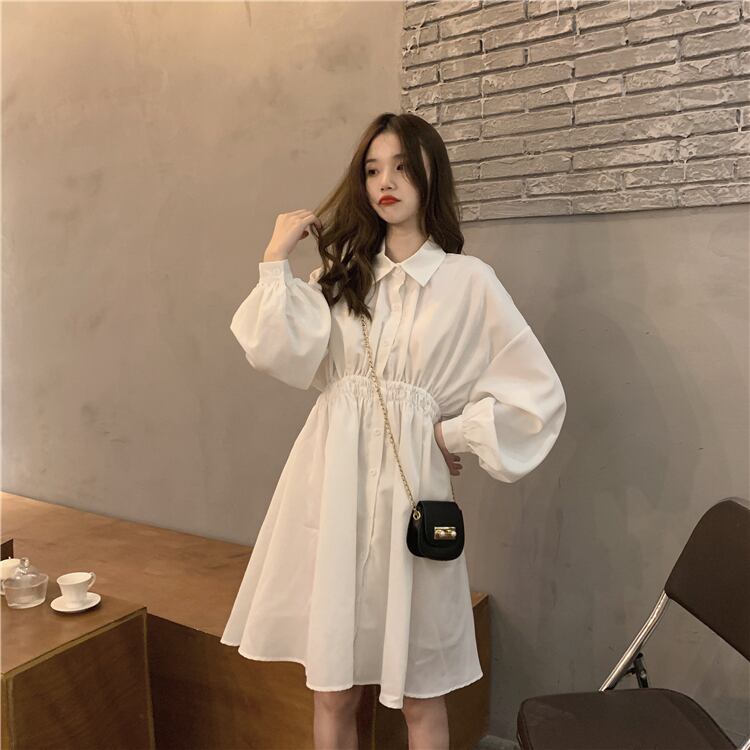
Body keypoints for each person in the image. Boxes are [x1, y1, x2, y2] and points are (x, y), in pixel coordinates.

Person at [220, 112, 567, 750]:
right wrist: (275, 258)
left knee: (419, 693)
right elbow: (279, 351)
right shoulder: (343, 277)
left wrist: (449, 436)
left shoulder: (469, 282)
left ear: (432, 175)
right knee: (333, 689)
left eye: (403, 166)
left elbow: (537, 395)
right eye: (373, 169)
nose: (386, 182)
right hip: (331, 488)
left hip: (410, 497)